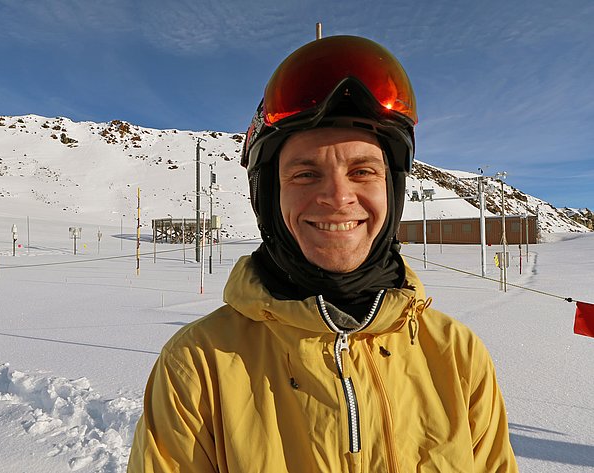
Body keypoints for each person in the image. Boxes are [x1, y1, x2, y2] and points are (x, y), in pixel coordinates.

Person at [129, 35, 517, 472]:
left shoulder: (456, 356)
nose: (337, 196)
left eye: (362, 171)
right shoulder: (199, 366)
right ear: (269, 197)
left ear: (393, 190)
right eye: (305, 174)